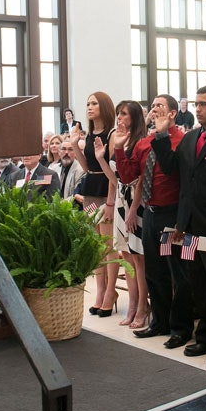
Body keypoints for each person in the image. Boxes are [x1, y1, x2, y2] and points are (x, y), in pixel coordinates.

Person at [152, 86, 206, 369]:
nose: (198, 109)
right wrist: (162, 134)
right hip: (190, 225)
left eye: (204, 104)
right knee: (198, 283)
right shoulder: (190, 139)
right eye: (196, 104)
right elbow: (173, 172)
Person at [115, 95, 193, 344]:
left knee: (178, 274)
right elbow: (128, 177)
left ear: (172, 114)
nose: (156, 108)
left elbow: (172, 170)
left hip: (174, 213)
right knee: (154, 272)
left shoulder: (183, 141)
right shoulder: (143, 143)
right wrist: (118, 148)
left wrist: (161, 135)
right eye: (154, 104)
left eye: (161, 105)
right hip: (150, 213)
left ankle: (180, 327)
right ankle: (159, 322)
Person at [95, 101, 149, 328]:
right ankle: (132, 304)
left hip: (135, 203)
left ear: (135, 118)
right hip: (120, 199)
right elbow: (115, 179)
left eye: (124, 114)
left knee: (139, 258)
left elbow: (140, 182)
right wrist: (100, 159)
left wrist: (134, 209)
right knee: (125, 255)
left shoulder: (141, 142)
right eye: (118, 114)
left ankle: (143, 307)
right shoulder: (118, 139)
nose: (119, 118)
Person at [69, 92, 118, 316]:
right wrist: (75, 145)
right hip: (90, 191)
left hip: (106, 191)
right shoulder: (90, 134)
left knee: (108, 245)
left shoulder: (112, 134)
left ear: (104, 106)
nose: (89, 107)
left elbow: (113, 172)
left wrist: (109, 201)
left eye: (94, 103)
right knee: (96, 244)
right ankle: (99, 291)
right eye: (87, 103)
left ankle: (110, 291)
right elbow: (87, 168)